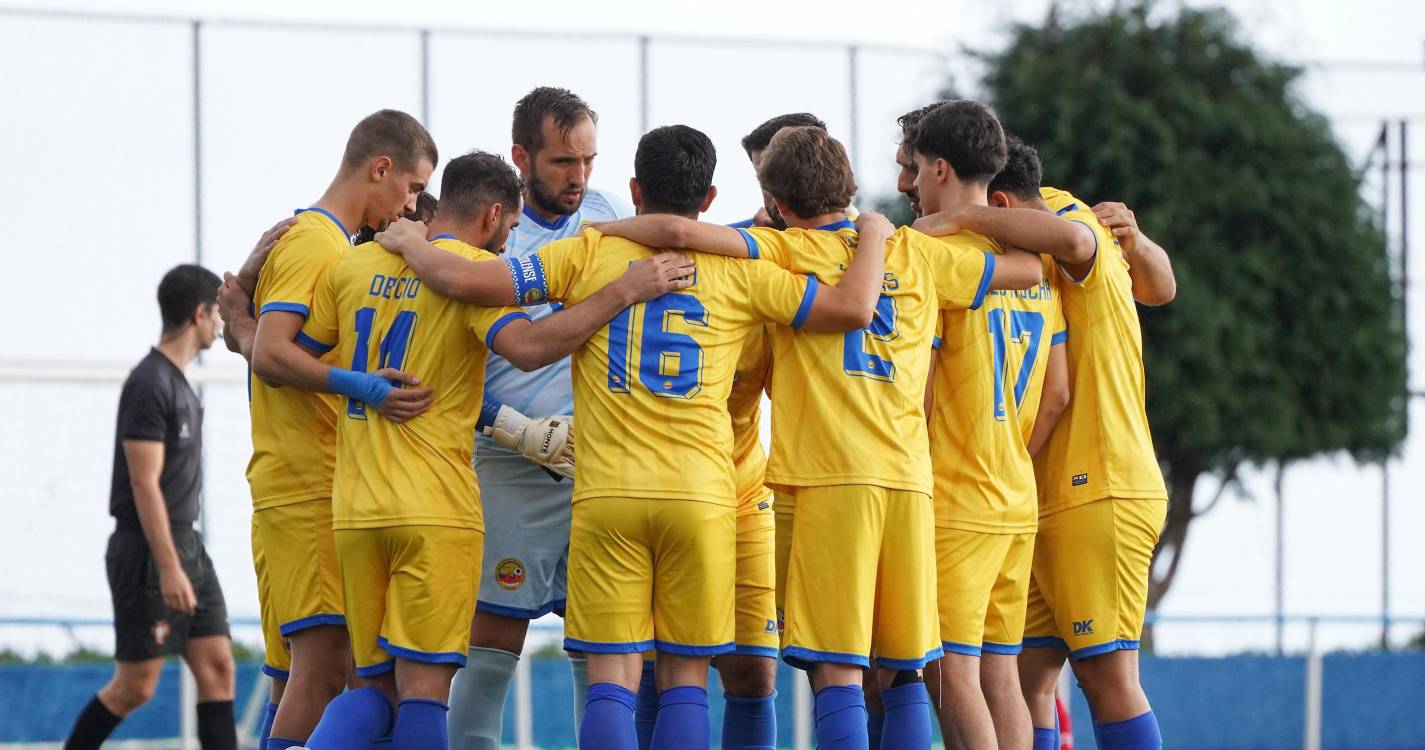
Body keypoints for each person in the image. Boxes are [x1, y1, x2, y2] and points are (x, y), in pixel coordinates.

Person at [378, 124, 894, 750]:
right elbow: (848, 309)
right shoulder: (747, 269)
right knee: (683, 682)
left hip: (606, 494)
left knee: (610, 681)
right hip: (704, 499)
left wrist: (412, 242)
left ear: (632, 189)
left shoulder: (587, 253)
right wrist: (874, 232)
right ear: (708, 199)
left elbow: (469, 283)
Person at [596, 124, 1045, 750]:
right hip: (910, 485)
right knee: (905, 671)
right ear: (850, 184)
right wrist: (915, 228)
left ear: (777, 204)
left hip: (827, 482)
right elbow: (1027, 267)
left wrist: (602, 231)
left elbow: (677, 231)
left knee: (838, 673)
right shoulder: (915, 254)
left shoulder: (779, 253)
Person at [240, 149, 693, 749]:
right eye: (507, 234)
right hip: (437, 511)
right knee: (426, 696)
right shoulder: (468, 277)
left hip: (354, 511)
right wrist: (624, 290)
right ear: (493, 216)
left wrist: (244, 321)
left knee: (371, 691)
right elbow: (531, 348)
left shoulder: (353, 268)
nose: (506, 248)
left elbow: (288, 357)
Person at [216, 108, 439, 750]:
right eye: (414, 188)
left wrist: (240, 314)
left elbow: (265, 348)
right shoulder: (320, 243)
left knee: (296, 676)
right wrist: (364, 386)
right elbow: (277, 356)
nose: (411, 206)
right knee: (324, 668)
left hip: (293, 483)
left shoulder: (315, 241)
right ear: (381, 168)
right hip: (310, 482)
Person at [443, 87, 634, 750]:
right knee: (494, 635)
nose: (578, 176)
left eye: (587, 159)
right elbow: (447, 367)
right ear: (521, 156)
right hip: (505, 464)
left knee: (602, 644)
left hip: (596, 468)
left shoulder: (611, 217)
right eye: (561, 162)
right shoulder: (491, 233)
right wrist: (511, 426)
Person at [1004, 171, 1175, 750]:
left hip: (1100, 483)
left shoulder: (1069, 219)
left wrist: (1140, 241)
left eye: (915, 169)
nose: (907, 184)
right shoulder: (1009, 238)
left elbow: (1157, 285)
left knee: (1107, 677)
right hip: (1039, 495)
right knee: (1024, 677)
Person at [64, 264, 236, 750]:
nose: (220, 324)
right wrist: (168, 567)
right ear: (200, 314)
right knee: (135, 687)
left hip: (189, 546)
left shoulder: (181, 383)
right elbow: (143, 483)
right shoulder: (149, 382)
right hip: (147, 552)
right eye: (217, 314)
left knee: (219, 668)